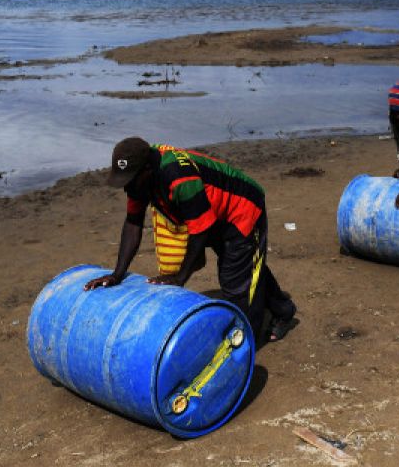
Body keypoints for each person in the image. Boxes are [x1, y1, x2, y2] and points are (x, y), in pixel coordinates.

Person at [85, 137, 297, 342]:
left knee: (235, 282)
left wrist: (179, 278)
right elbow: (133, 224)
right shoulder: (139, 181)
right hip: (210, 211)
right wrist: (117, 274)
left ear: (147, 170)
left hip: (241, 209)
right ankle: (284, 311)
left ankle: (241, 344)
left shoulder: (179, 177)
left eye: (129, 181)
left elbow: (199, 233)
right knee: (247, 266)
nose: (126, 188)